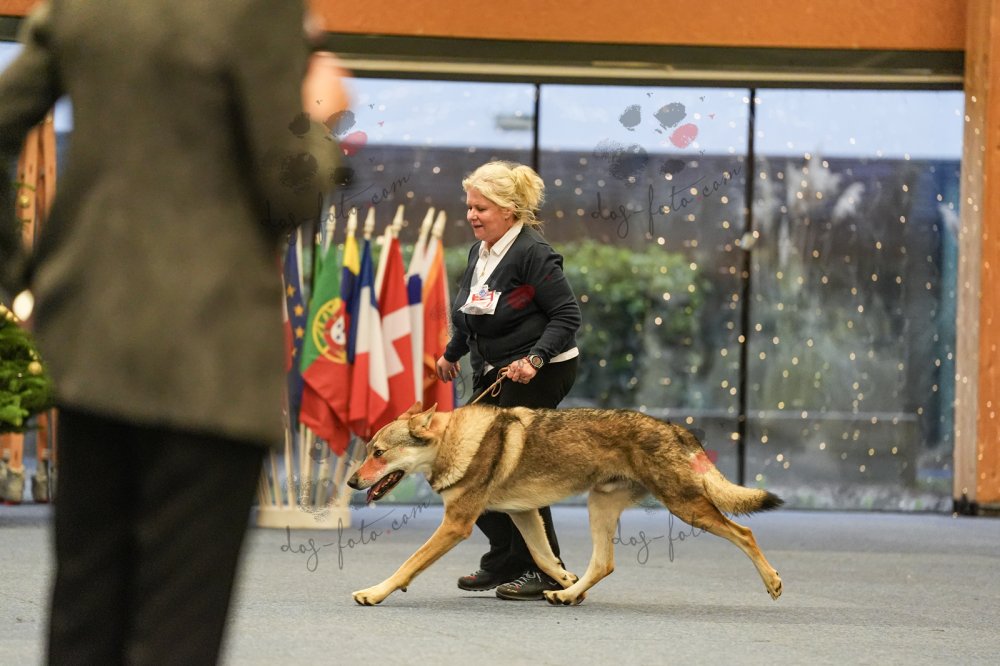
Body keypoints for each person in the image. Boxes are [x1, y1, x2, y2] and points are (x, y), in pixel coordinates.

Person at [0, 1, 342, 663]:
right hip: (210, 359)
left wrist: (19, 279)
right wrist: (323, 113)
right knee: (177, 630)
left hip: (90, 343)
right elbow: (289, 191)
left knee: (83, 617)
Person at [436, 160, 582, 601]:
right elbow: (470, 312)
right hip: (495, 370)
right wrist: (452, 353)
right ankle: (506, 557)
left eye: (480, 208)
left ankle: (547, 570)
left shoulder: (532, 252)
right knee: (464, 458)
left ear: (509, 210)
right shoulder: (480, 252)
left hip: (542, 371)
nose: (472, 215)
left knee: (517, 469)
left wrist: (535, 358)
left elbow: (567, 316)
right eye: (469, 207)